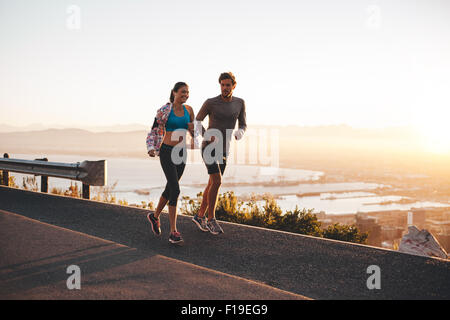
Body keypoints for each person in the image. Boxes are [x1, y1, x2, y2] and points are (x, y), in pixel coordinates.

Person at [192, 72, 247, 234]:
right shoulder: (211, 102)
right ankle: (211, 219)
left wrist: (240, 133)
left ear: (233, 86)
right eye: (222, 85)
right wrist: (207, 136)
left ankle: (199, 215)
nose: (225, 88)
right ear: (220, 86)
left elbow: (243, 124)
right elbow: (196, 121)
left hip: (225, 149)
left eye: (228, 85)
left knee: (212, 184)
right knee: (217, 181)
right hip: (208, 147)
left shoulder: (240, 103)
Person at [146, 82, 195, 244]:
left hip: (182, 153)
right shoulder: (164, 111)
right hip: (167, 151)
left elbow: (193, 129)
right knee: (175, 188)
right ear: (174, 92)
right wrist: (152, 147)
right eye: (182, 92)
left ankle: (154, 216)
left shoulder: (189, 110)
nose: (185, 95)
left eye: (187, 92)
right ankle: (173, 231)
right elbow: (154, 130)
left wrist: (198, 137)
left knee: (170, 188)